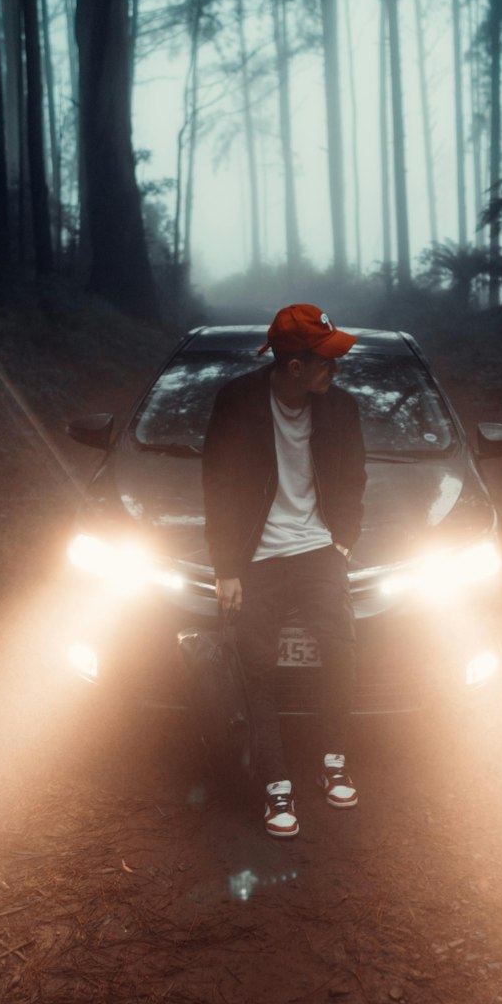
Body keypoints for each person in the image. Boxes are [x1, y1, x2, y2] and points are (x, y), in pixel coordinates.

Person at [202, 303, 367, 838]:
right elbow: (218, 487)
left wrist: (343, 542)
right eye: (326, 360)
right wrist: (227, 569)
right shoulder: (237, 402)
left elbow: (354, 478)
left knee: (340, 649)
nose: (334, 369)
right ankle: (277, 788)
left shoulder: (340, 408)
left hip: (320, 549)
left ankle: (334, 761)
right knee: (258, 667)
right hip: (259, 556)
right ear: (295, 367)